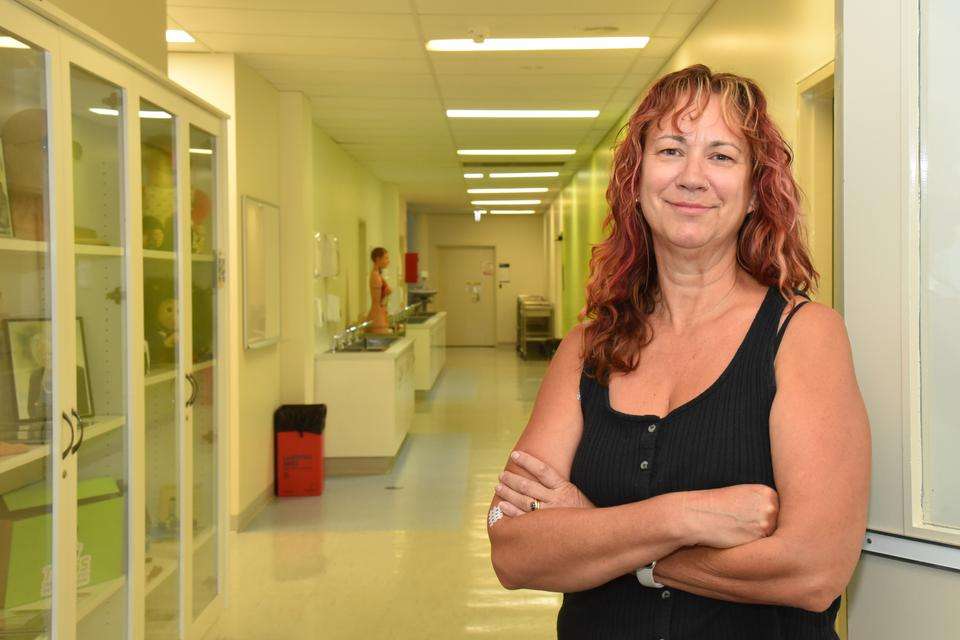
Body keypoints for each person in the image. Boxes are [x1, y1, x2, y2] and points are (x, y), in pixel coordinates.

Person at [486, 64, 870, 638]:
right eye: (670, 149)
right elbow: (515, 553)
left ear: (753, 192)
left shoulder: (804, 335)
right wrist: (682, 516)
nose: (692, 177)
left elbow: (813, 570)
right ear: (636, 181)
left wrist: (601, 536)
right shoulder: (587, 348)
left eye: (721, 156)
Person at [366, 247, 392, 334]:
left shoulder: (378, 275)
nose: (388, 261)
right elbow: (378, 301)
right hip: (377, 315)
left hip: (380, 313)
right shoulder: (375, 276)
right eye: (386, 258)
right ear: (378, 259)